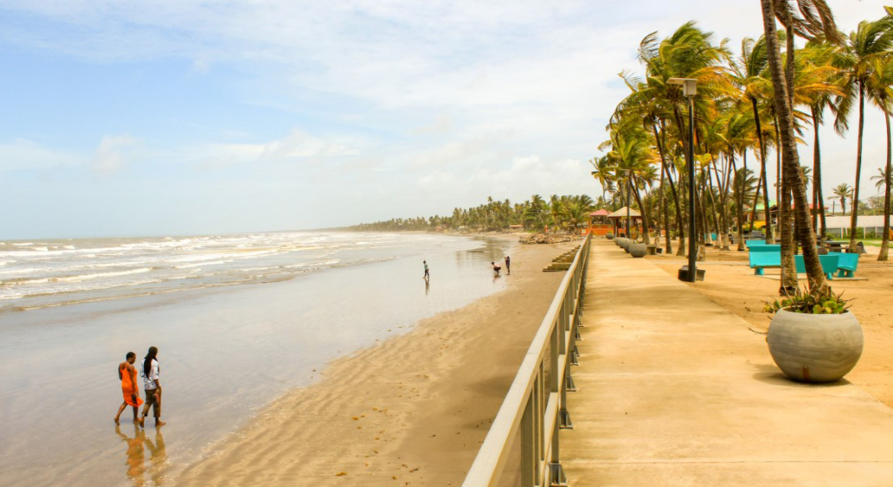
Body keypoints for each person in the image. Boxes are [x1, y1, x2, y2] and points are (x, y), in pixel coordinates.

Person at [139, 346, 165, 427]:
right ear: (155, 353)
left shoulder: (143, 361)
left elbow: (142, 374)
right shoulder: (154, 362)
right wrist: (158, 387)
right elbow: (155, 377)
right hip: (154, 387)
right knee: (156, 404)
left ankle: (142, 417)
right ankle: (157, 422)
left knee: (148, 402)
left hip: (147, 387)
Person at [115, 352, 144, 425]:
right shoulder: (131, 366)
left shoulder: (121, 365)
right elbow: (133, 380)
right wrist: (135, 391)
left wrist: (125, 381)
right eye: (134, 358)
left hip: (124, 385)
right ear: (129, 358)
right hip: (131, 386)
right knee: (135, 402)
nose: (134, 360)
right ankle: (135, 418)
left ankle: (117, 416)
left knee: (125, 401)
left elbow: (120, 377)